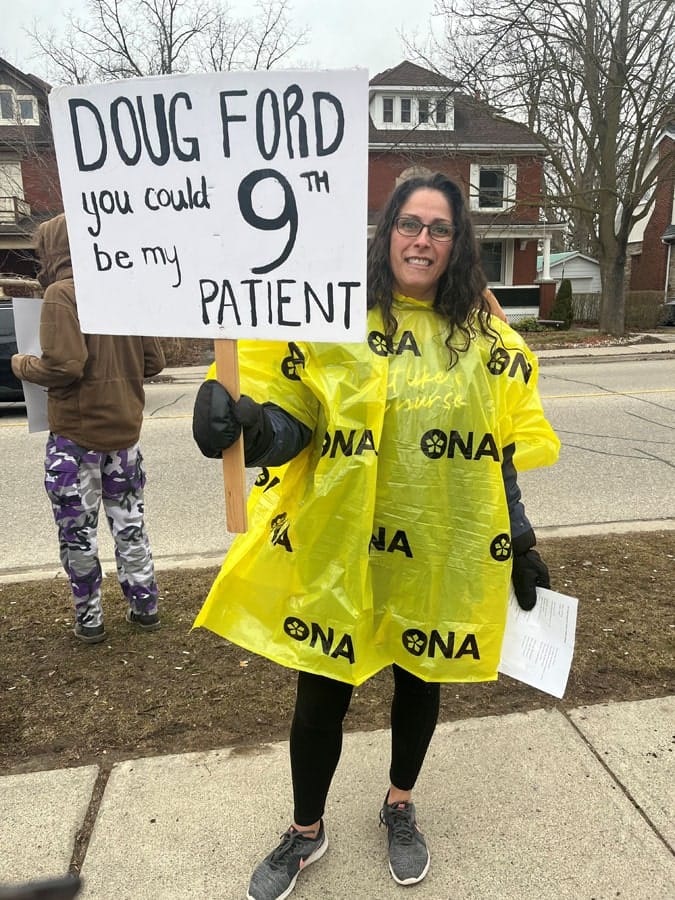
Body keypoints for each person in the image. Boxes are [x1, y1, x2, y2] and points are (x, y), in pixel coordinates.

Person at [192, 173, 560, 899]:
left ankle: (399, 804)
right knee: (319, 695)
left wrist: (520, 542)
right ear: (386, 232)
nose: (422, 239)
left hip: (437, 548)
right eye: (409, 224)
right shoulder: (332, 322)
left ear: (457, 244)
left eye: (439, 228)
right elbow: (296, 419)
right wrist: (252, 429)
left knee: (421, 680)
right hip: (341, 550)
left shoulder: (482, 338)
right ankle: (305, 831)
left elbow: (497, 451)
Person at [11, 213, 165, 644]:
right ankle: (146, 609)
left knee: (78, 533)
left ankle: (91, 619)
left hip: (75, 440)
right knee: (130, 525)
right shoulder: (124, 288)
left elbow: (65, 365)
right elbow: (154, 362)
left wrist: (22, 364)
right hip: (125, 437)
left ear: (55, 248)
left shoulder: (62, 293)